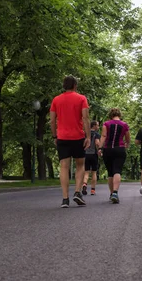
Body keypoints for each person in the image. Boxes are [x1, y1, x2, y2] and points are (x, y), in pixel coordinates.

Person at [50, 75, 91, 208]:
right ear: (75, 85)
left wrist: (54, 136)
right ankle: (77, 192)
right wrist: (88, 136)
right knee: (80, 165)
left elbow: (52, 120)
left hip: (62, 137)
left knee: (64, 167)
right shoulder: (81, 98)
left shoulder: (56, 100)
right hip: (78, 137)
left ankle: (65, 199)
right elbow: (85, 118)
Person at [99, 108, 130, 204]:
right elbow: (127, 138)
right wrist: (127, 144)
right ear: (119, 114)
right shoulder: (124, 125)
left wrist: (100, 148)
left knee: (110, 172)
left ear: (110, 115)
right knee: (117, 170)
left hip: (108, 149)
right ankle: (115, 193)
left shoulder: (106, 124)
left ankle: (111, 193)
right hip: (119, 149)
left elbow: (104, 136)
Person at [82, 120, 101, 196]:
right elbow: (97, 143)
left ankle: (84, 184)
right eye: (97, 125)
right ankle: (93, 190)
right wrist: (99, 150)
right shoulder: (96, 134)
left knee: (86, 172)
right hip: (93, 155)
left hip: (85, 154)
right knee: (94, 172)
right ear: (94, 126)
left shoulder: (85, 134)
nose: (98, 127)